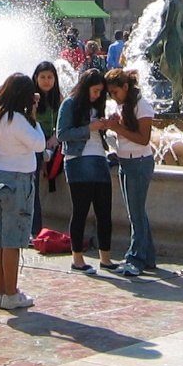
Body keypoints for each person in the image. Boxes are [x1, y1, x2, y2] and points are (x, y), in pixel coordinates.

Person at [0, 73, 45, 311]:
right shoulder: (17, 119)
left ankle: (0, 292)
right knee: (13, 242)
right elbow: (39, 143)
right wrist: (33, 117)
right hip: (17, 181)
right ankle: (11, 293)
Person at [57, 68, 118, 273]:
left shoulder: (97, 106)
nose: (98, 95)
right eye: (95, 91)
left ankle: (106, 258)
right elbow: (62, 134)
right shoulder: (70, 104)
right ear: (85, 88)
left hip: (99, 158)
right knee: (81, 211)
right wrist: (89, 128)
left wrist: (106, 125)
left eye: (100, 92)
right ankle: (77, 259)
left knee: (104, 211)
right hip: (78, 160)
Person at [104, 67, 157, 277]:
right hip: (125, 162)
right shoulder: (124, 106)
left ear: (126, 87)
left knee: (136, 213)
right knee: (136, 212)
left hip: (139, 162)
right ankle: (148, 256)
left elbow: (143, 139)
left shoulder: (142, 106)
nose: (113, 97)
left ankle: (135, 259)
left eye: (115, 92)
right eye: (110, 93)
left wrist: (118, 128)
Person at [30, 61, 64, 238]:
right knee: (33, 188)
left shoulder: (58, 98)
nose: (46, 81)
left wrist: (56, 137)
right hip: (34, 147)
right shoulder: (31, 98)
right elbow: (28, 123)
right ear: (36, 78)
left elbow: (63, 122)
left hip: (52, 147)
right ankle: (34, 230)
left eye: (50, 77)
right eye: (42, 77)